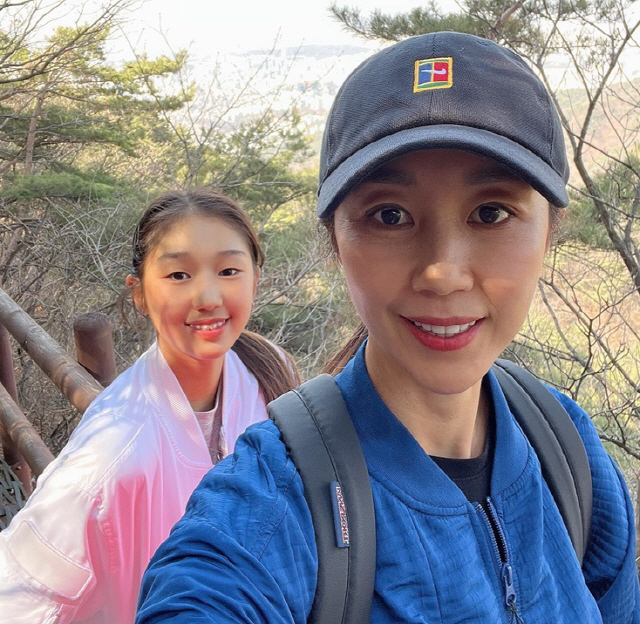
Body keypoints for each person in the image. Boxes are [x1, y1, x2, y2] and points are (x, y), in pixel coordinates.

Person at [136, 33, 640, 623]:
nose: (442, 273)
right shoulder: (277, 501)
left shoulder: (565, 447)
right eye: (390, 215)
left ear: (550, 230)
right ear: (335, 241)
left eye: (491, 213)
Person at [0, 188, 299, 623]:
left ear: (256, 278)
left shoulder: (269, 369)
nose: (208, 296)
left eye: (228, 270)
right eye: (178, 275)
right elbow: (18, 595)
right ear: (138, 293)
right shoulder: (112, 455)